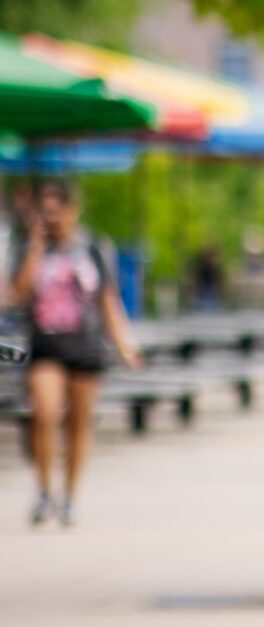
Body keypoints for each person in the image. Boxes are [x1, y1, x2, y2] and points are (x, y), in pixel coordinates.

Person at [13, 181, 143, 527]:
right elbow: (17, 293)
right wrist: (35, 249)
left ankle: (69, 496)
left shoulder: (94, 249)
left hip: (86, 347)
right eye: (46, 212)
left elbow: (108, 301)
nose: (52, 219)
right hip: (44, 347)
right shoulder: (30, 247)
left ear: (73, 210)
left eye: (57, 212)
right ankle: (43, 489)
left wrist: (125, 346)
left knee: (79, 425)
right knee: (44, 413)